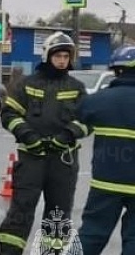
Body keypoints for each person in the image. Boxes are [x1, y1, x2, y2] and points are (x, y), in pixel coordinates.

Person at [0, 32, 89, 254]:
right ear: (48, 56)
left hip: (63, 161)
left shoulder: (76, 87)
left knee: (58, 215)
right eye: (58, 55)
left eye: (66, 56)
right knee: (21, 210)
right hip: (31, 158)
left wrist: (67, 136)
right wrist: (28, 136)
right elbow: (9, 114)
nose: (62, 60)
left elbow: (87, 120)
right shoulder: (26, 84)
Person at [77, 45, 135, 254]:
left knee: (91, 234)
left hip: (106, 182)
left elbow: (76, 126)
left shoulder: (97, 100)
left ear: (116, 71)